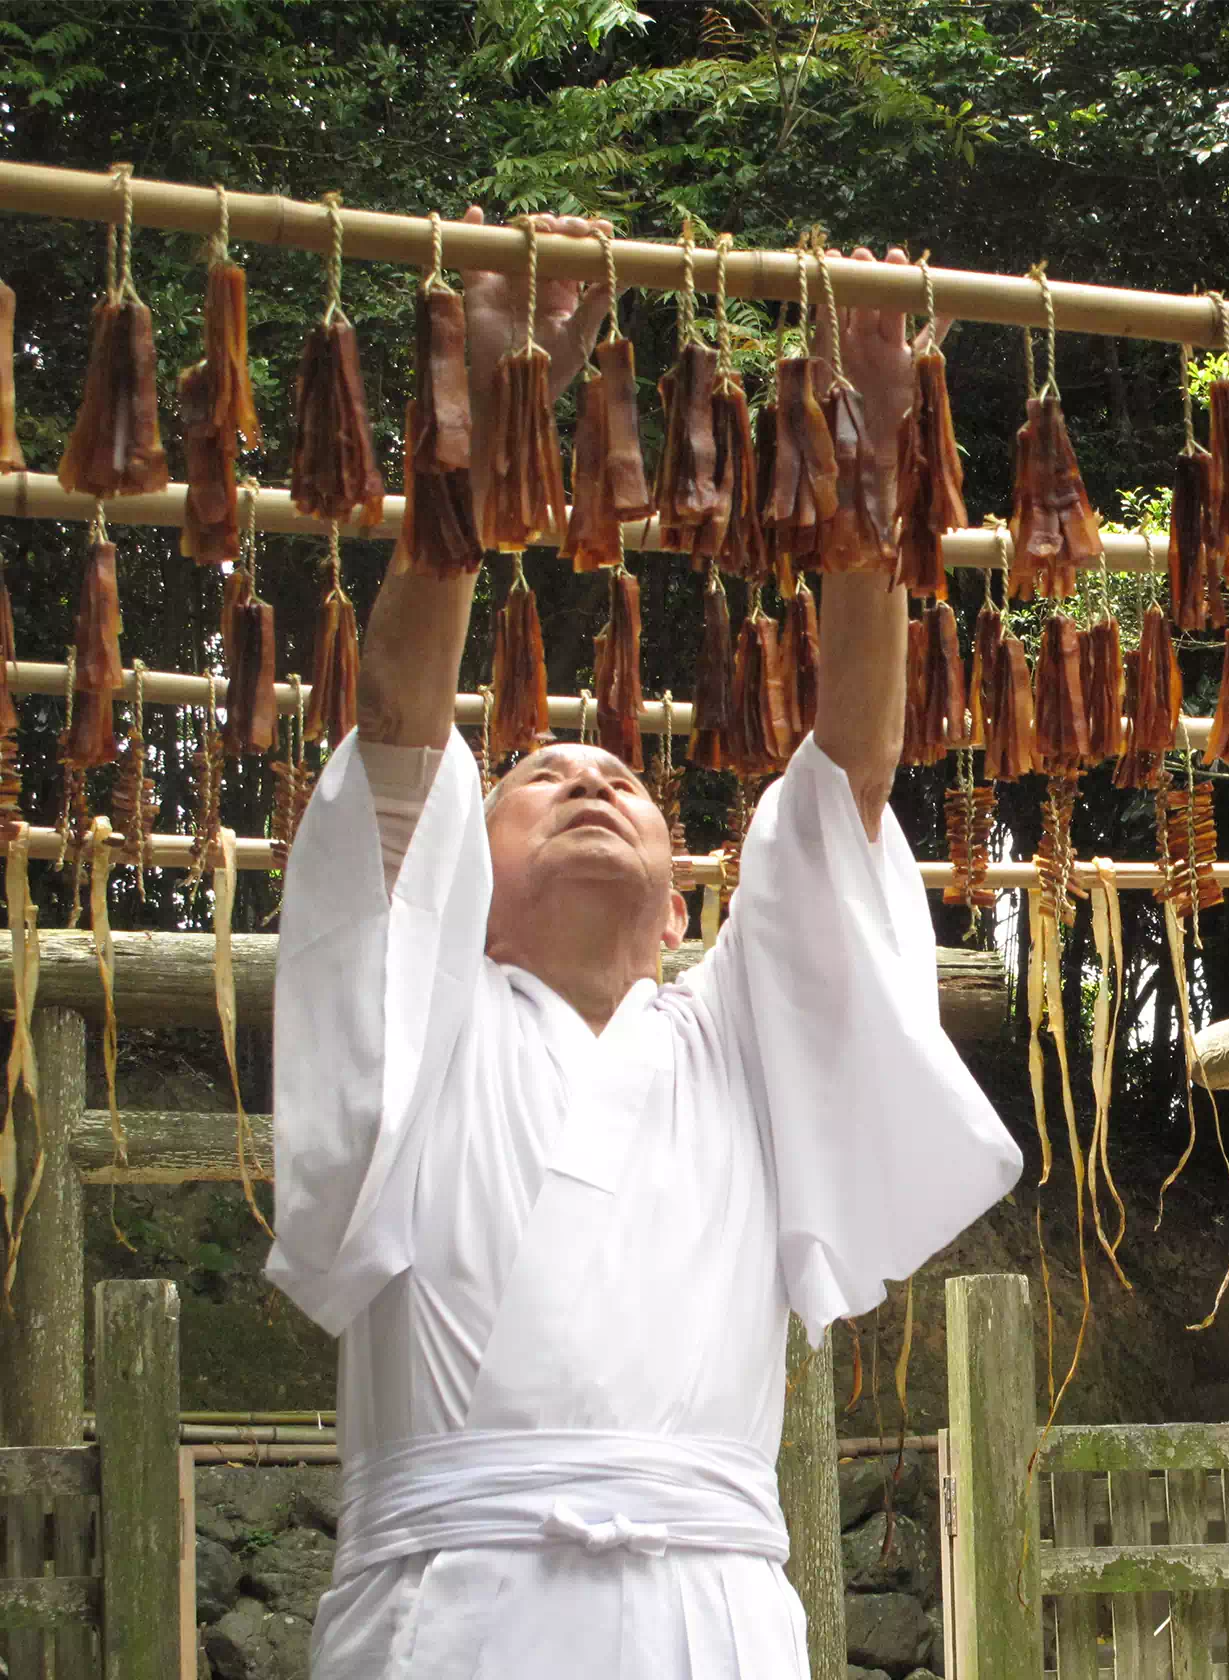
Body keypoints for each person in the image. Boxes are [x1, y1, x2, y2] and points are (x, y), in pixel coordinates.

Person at [265, 210, 1023, 1678]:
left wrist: (859, 457)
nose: (596, 777)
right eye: (540, 778)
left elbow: (849, 773)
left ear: (686, 904)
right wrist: (487, 426)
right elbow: (406, 737)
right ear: (451, 887)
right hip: (450, 1618)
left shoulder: (733, 1036)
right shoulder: (428, 1025)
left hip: (714, 1626)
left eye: (623, 781)